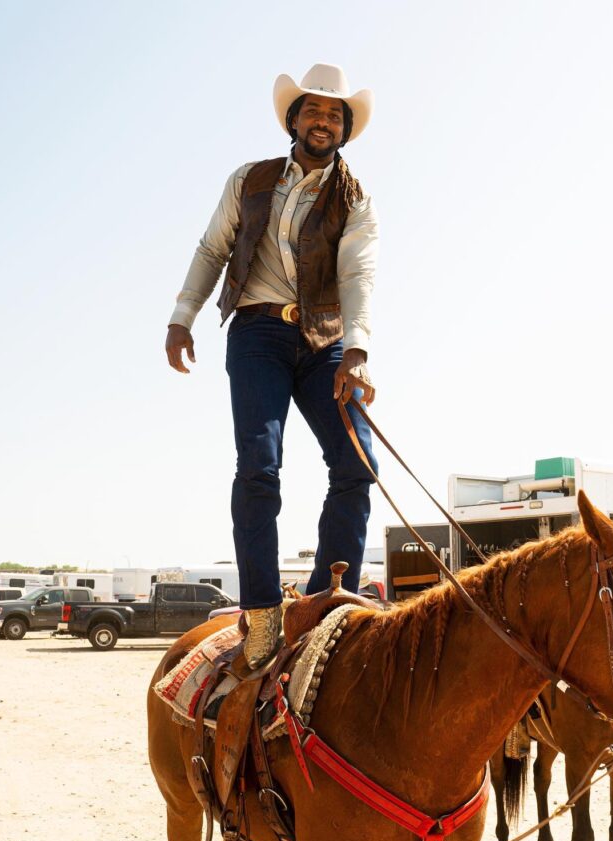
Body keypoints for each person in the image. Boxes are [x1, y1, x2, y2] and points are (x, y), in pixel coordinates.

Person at [165, 63, 378, 668]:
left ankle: (325, 603)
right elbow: (212, 248)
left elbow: (359, 274)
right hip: (257, 332)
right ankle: (260, 615)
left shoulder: (356, 197)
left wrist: (356, 352)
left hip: (325, 340)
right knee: (260, 464)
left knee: (358, 463)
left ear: (345, 128)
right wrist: (183, 317)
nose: (323, 120)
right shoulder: (250, 180)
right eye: (313, 110)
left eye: (335, 113)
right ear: (293, 119)